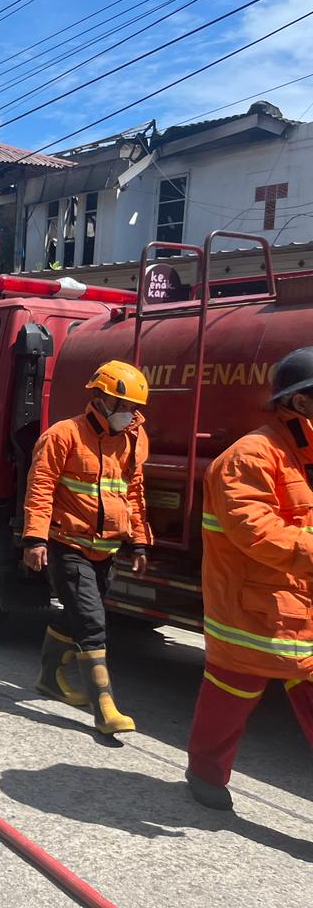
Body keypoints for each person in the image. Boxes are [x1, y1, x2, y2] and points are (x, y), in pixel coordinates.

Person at [185, 347, 313, 810]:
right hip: (254, 613)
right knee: (228, 699)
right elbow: (257, 533)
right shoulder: (249, 457)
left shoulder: (302, 455)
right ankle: (205, 776)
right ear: (299, 403)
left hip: (303, 611)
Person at [23, 359, 151, 736]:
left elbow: (134, 493)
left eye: (134, 409)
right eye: (122, 406)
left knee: (78, 613)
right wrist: (34, 538)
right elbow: (41, 487)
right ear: (99, 399)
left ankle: (48, 678)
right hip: (66, 544)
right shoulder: (63, 435)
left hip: (106, 549)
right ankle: (104, 707)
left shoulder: (134, 439)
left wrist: (140, 540)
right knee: (93, 622)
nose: (129, 415)